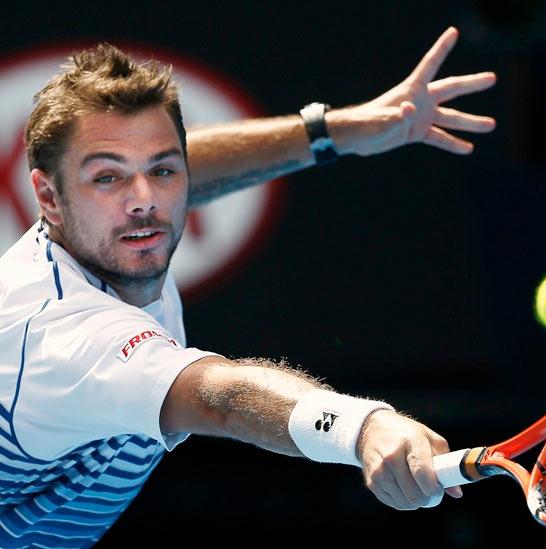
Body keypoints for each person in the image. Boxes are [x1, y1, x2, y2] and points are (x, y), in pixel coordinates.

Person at [0, 27, 495, 547]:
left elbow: (189, 169)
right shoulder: (62, 335)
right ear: (48, 197)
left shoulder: (110, 228)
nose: (144, 199)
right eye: (107, 177)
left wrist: (336, 131)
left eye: (162, 169)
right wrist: (364, 427)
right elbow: (224, 397)